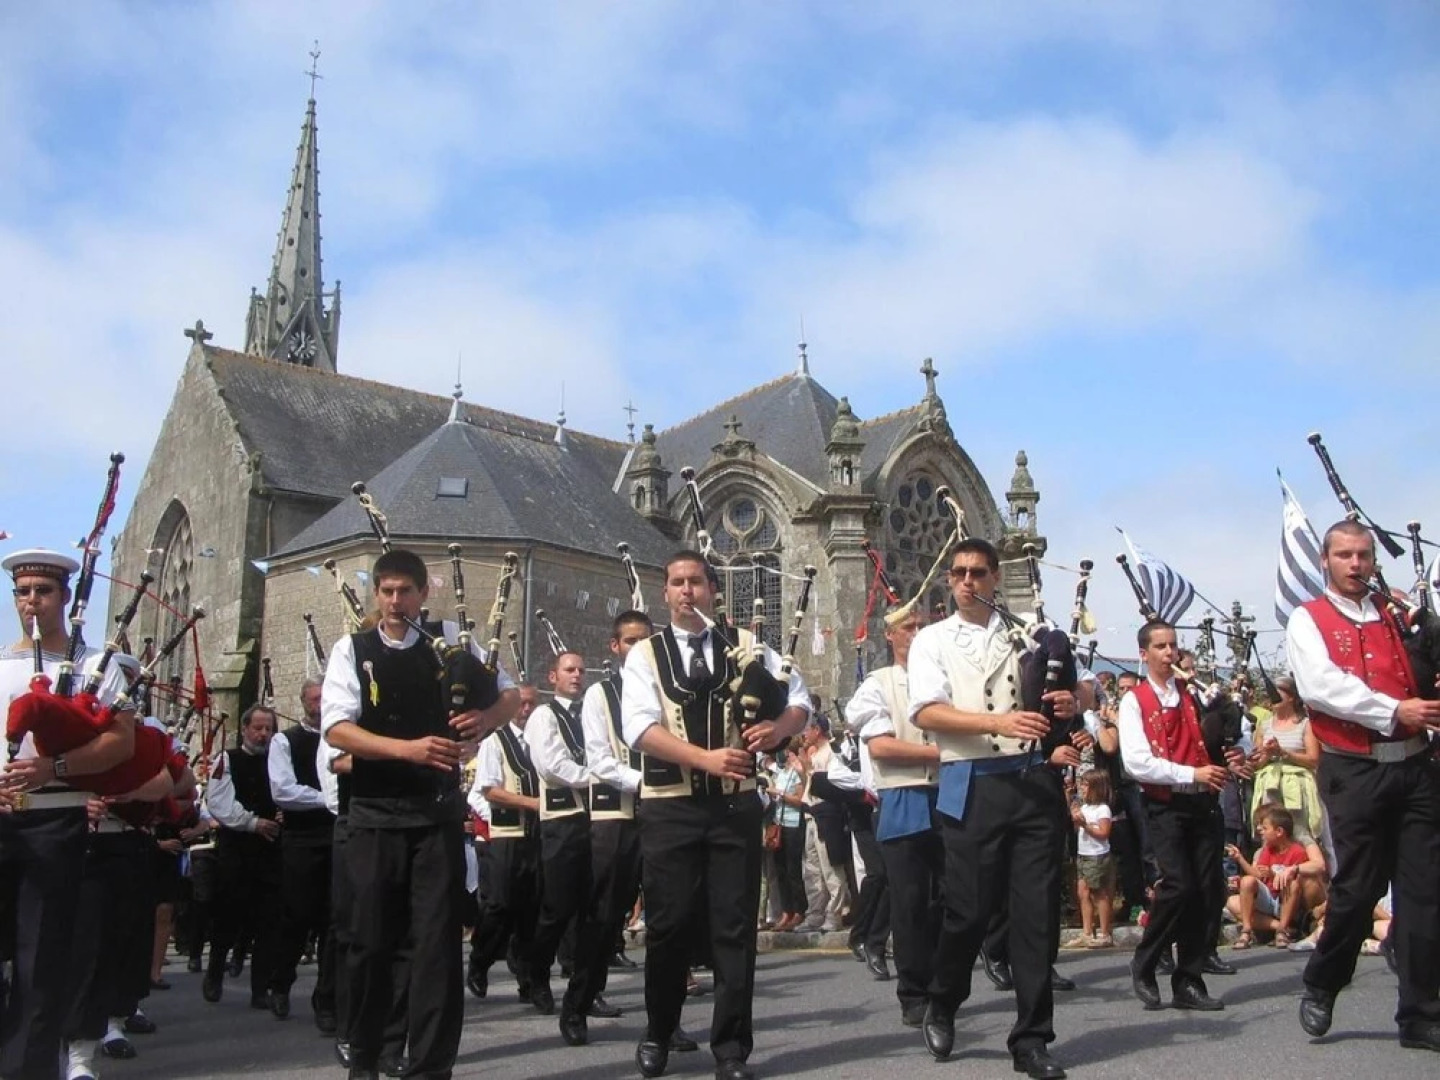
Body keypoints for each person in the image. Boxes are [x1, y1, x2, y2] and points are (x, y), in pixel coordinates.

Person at [321, 547, 519, 1080]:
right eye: (386, 591)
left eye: (404, 591)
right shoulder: (352, 649)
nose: (395, 601)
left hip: (435, 818)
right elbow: (337, 729)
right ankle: (367, 1056)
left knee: (435, 948)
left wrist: (484, 722)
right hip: (373, 816)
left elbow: (509, 695)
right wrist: (407, 750)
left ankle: (430, 1067)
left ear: (422, 593)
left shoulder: (450, 642)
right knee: (370, 944)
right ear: (376, 593)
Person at [621, 550, 810, 1080]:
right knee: (668, 925)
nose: (687, 591)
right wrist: (704, 759)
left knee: (734, 928)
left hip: (734, 806)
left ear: (712, 589)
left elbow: (800, 701)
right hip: (670, 807)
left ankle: (731, 1049)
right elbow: (639, 729)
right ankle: (659, 1031)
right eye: (677, 583)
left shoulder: (748, 645)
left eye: (696, 582)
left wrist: (779, 729)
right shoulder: (645, 655)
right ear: (665, 593)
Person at [908, 539, 1076, 1080]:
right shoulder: (932, 640)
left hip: (1032, 781)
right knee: (968, 912)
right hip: (971, 781)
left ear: (995, 578)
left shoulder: (1028, 632)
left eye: (978, 572)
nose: (967, 582)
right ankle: (943, 999)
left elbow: (1078, 692)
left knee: (1035, 916)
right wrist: (997, 723)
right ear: (949, 579)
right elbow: (927, 713)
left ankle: (1032, 1038)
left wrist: (1075, 701)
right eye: (958, 573)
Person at [1286, 520, 1440, 1051]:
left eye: (1364, 555)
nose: (1355, 564)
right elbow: (1320, 687)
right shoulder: (1308, 619)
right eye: (1344, 555)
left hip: (1415, 766)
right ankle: (1324, 980)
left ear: (1375, 560)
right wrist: (1396, 710)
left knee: (1425, 892)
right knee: (1358, 889)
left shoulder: (1398, 615)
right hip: (1354, 769)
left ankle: (1420, 1013)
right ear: (1325, 561)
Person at [1, 549, 136, 1080]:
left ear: (65, 598)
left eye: (44, 591)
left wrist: (52, 768)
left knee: (40, 962)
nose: (31, 601)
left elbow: (120, 743)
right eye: (23, 592)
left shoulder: (94, 667)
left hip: (54, 819)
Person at [1118, 620, 1235, 1014]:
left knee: (1206, 890)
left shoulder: (1193, 694)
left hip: (1203, 802)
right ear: (1144, 654)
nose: (1169, 653)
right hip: (1165, 804)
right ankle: (1145, 960)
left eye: (1173, 646)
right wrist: (1192, 774)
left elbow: (1220, 740)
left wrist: (1233, 750)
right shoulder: (1135, 701)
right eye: (1161, 647)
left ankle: (1189, 980)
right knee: (1178, 885)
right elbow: (1137, 763)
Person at [848, 606, 939, 1029]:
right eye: (909, 627)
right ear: (890, 635)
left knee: (951, 898)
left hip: (949, 793)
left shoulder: (943, 679)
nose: (917, 633)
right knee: (910, 901)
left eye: (922, 626)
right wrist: (939, 754)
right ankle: (914, 992)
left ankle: (942, 983)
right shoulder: (878, 684)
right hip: (904, 796)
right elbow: (881, 747)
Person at [523, 649, 601, 1040]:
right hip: (561, 822)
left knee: (593, 911)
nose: (577, 675)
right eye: (569, 670)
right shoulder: (544, 715)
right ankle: (537, 974)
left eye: (581, 670)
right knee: (556, 909)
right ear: (553, 676)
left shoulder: (591, 713)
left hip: (596, 820)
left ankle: (585, 989)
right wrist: (597, 777)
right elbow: (551, 765)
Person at [203, 703, 283, 1010]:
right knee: (228, 914)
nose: (263, 734)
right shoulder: (227, 759)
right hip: (236, 848)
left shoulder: (278, 762)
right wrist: (252, 822)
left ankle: (260, 988)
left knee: (268, 920)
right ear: (245, 729)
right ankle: (215, 973)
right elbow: (218, 802)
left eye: (268, 729)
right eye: (258, 728)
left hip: (269, 849)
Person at [268, 677, 337, 1029]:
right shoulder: (286, 741)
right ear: (303, 702)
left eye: (325, 697)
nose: (320, 704)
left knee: (334, 921)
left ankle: (326, 1001)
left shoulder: (342, 737)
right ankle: (281, 983)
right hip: (301, 839)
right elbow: (283, 791)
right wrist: (329, 800)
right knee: (297, 916)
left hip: (337, 836)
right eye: (314, 698)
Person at [466, 685, 541, 1002]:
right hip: (505, 836)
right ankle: (479, 962)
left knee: (531, 909)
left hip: (536, 836)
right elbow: (488, 790)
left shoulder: (539, 741)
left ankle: (529, 979)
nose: (526, 710)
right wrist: (531, 804)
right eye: (522, 704)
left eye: (532, 704)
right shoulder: (494, 742)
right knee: (499, 905)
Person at [1225, 805, 1327, 949]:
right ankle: (1249, 930)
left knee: (1292, 883)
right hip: (1271, 898)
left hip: (1287, 898)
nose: (1259, 830)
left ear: (1279, 831)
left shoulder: (1298, 848)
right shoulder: (1266, 850)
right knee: (1244, 885)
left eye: (1264, 826)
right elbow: (1257, 874)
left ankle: (1286, 928)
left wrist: (1279, 873)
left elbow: (1317, 866)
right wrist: (1240, 859)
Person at [1248, 677, 1325, 846]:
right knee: (1270, 836)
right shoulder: (1264, 725)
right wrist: (1266, 755)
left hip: (1297, 787)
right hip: (1270, 786)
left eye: (1278, 692)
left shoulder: (1305, 724)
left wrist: (1283, 753)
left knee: (1300, 834)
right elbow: (1256, 764)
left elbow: (1314, 759)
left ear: (1291, 697)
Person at [1071, 768, 1115, 947]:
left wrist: (1085, 825)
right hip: (1084, 854)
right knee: (1083, 893)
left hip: (1097, 856)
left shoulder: (1103, 809)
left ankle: (1105, 933)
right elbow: (1078, 830)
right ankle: (1087, 932)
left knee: (1099, 893)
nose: (1082, 788)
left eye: (1086, 785)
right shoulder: (1085, 807)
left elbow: (1104, 833)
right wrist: (1076, 818)